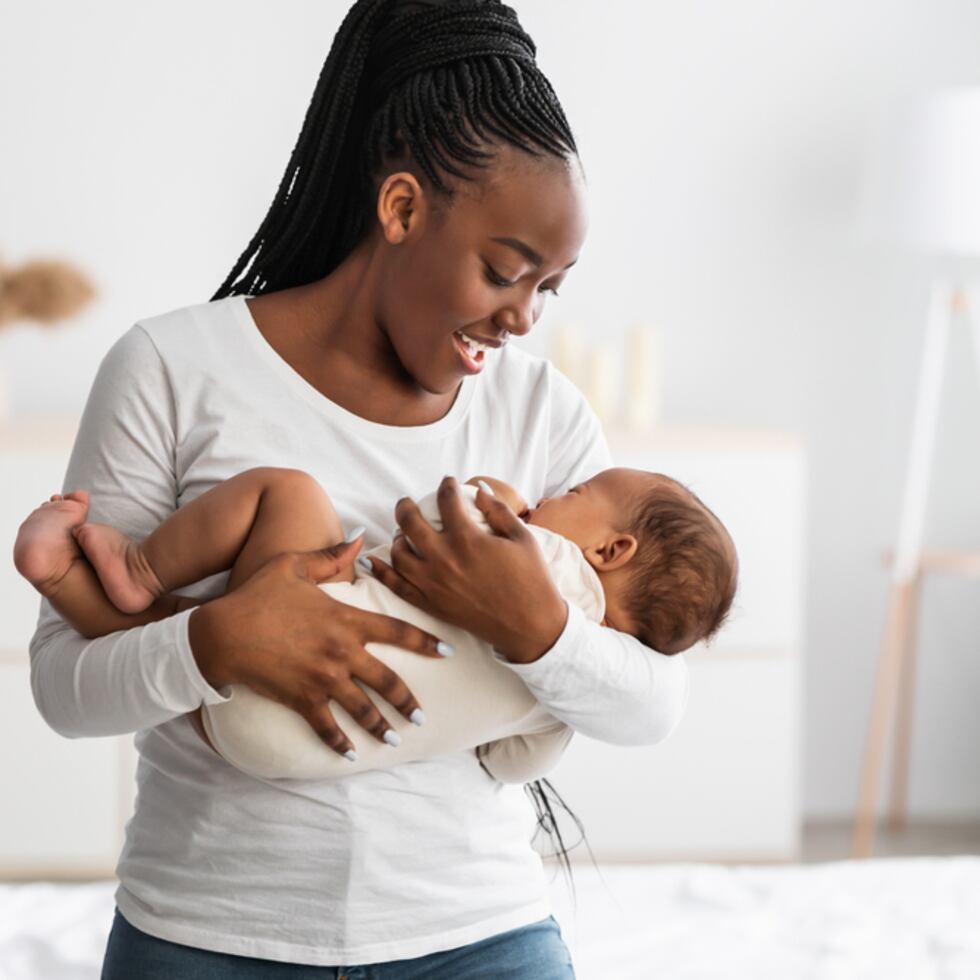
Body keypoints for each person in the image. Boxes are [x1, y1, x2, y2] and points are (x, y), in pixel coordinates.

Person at [27, 0, 692, 975]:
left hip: (478, 931)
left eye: (550, 288)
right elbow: (62, 688)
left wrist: (537, 630)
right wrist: (212, 640)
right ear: (401, 208)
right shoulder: (173, 365)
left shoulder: (542, 412)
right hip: (208, 933)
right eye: (505, 272)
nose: (522, 319)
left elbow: (651, 702)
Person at [16, 466, 737, 782]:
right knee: (214, 628)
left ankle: (136, 570)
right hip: (286, 754)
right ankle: (62, 575)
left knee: (289, 495)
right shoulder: (565, 701)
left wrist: (490, 494)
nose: (554, 491)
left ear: (610, 550)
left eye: (576, 491)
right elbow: (509, 766)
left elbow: (423, 524)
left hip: (258, 680)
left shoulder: (537, 552)